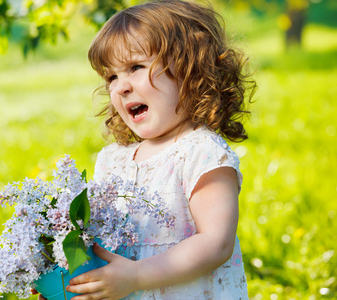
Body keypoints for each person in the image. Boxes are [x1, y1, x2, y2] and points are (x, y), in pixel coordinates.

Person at [33, 0, 256, 298]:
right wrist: (66, 276)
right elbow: (100, 242)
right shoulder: (113, 160)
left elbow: (216, 243)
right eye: (112, 77)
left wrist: (137, 275)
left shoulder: (202, 152)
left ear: (191, 71)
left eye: (135, 67)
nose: (121, 86)